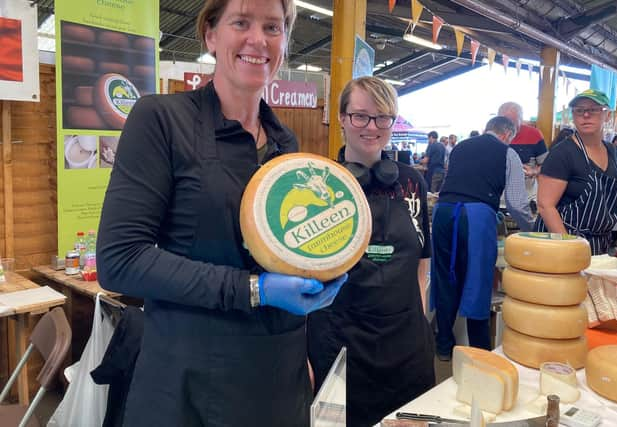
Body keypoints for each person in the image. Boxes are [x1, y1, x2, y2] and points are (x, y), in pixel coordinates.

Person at [96, 1, 347, 426]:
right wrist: (254, 289)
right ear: (211, 34)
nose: (258, 39)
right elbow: (120, 260)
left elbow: (287, 257)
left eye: (272, 26)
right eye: (241, 22)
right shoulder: (162, 120)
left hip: (278, 381)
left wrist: (321, 273)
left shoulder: (288, 150)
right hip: (188, 384)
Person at [307, 76, 435, 427]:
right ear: (343, 118)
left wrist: (418, 322)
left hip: (404, 342)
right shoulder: (318, 183)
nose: (371, 126)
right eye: (361, 116)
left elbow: (422, 265)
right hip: (340, 342)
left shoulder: (412, 182)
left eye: (382, 117)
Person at [430, 116, 533, 360]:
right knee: (477, 281)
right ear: (508, 134)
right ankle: (479, 350)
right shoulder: (508, 154)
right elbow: (516, 203)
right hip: (475, 216)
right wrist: (532, 228)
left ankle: (443, 344)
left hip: (443, 212)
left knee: (445, 277)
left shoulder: (459, 147)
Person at [536, 89, 617, 255]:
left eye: (593, 110)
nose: (585, 115)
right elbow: (545, 205)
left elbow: (606, 195)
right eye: (579, 110)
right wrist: (568, 248)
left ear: (608, 115)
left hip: (598, 246)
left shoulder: (610, 150)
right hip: (562, 244)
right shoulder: (563, 153)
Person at [498, 102, 548, 208]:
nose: (508, 127)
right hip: (498, 199)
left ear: (521, 119)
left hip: (527, 198)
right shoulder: (492, 135)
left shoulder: (534, 134)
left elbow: (548, 165)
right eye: (504, 122)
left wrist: (535, 171)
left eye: (512, 122)